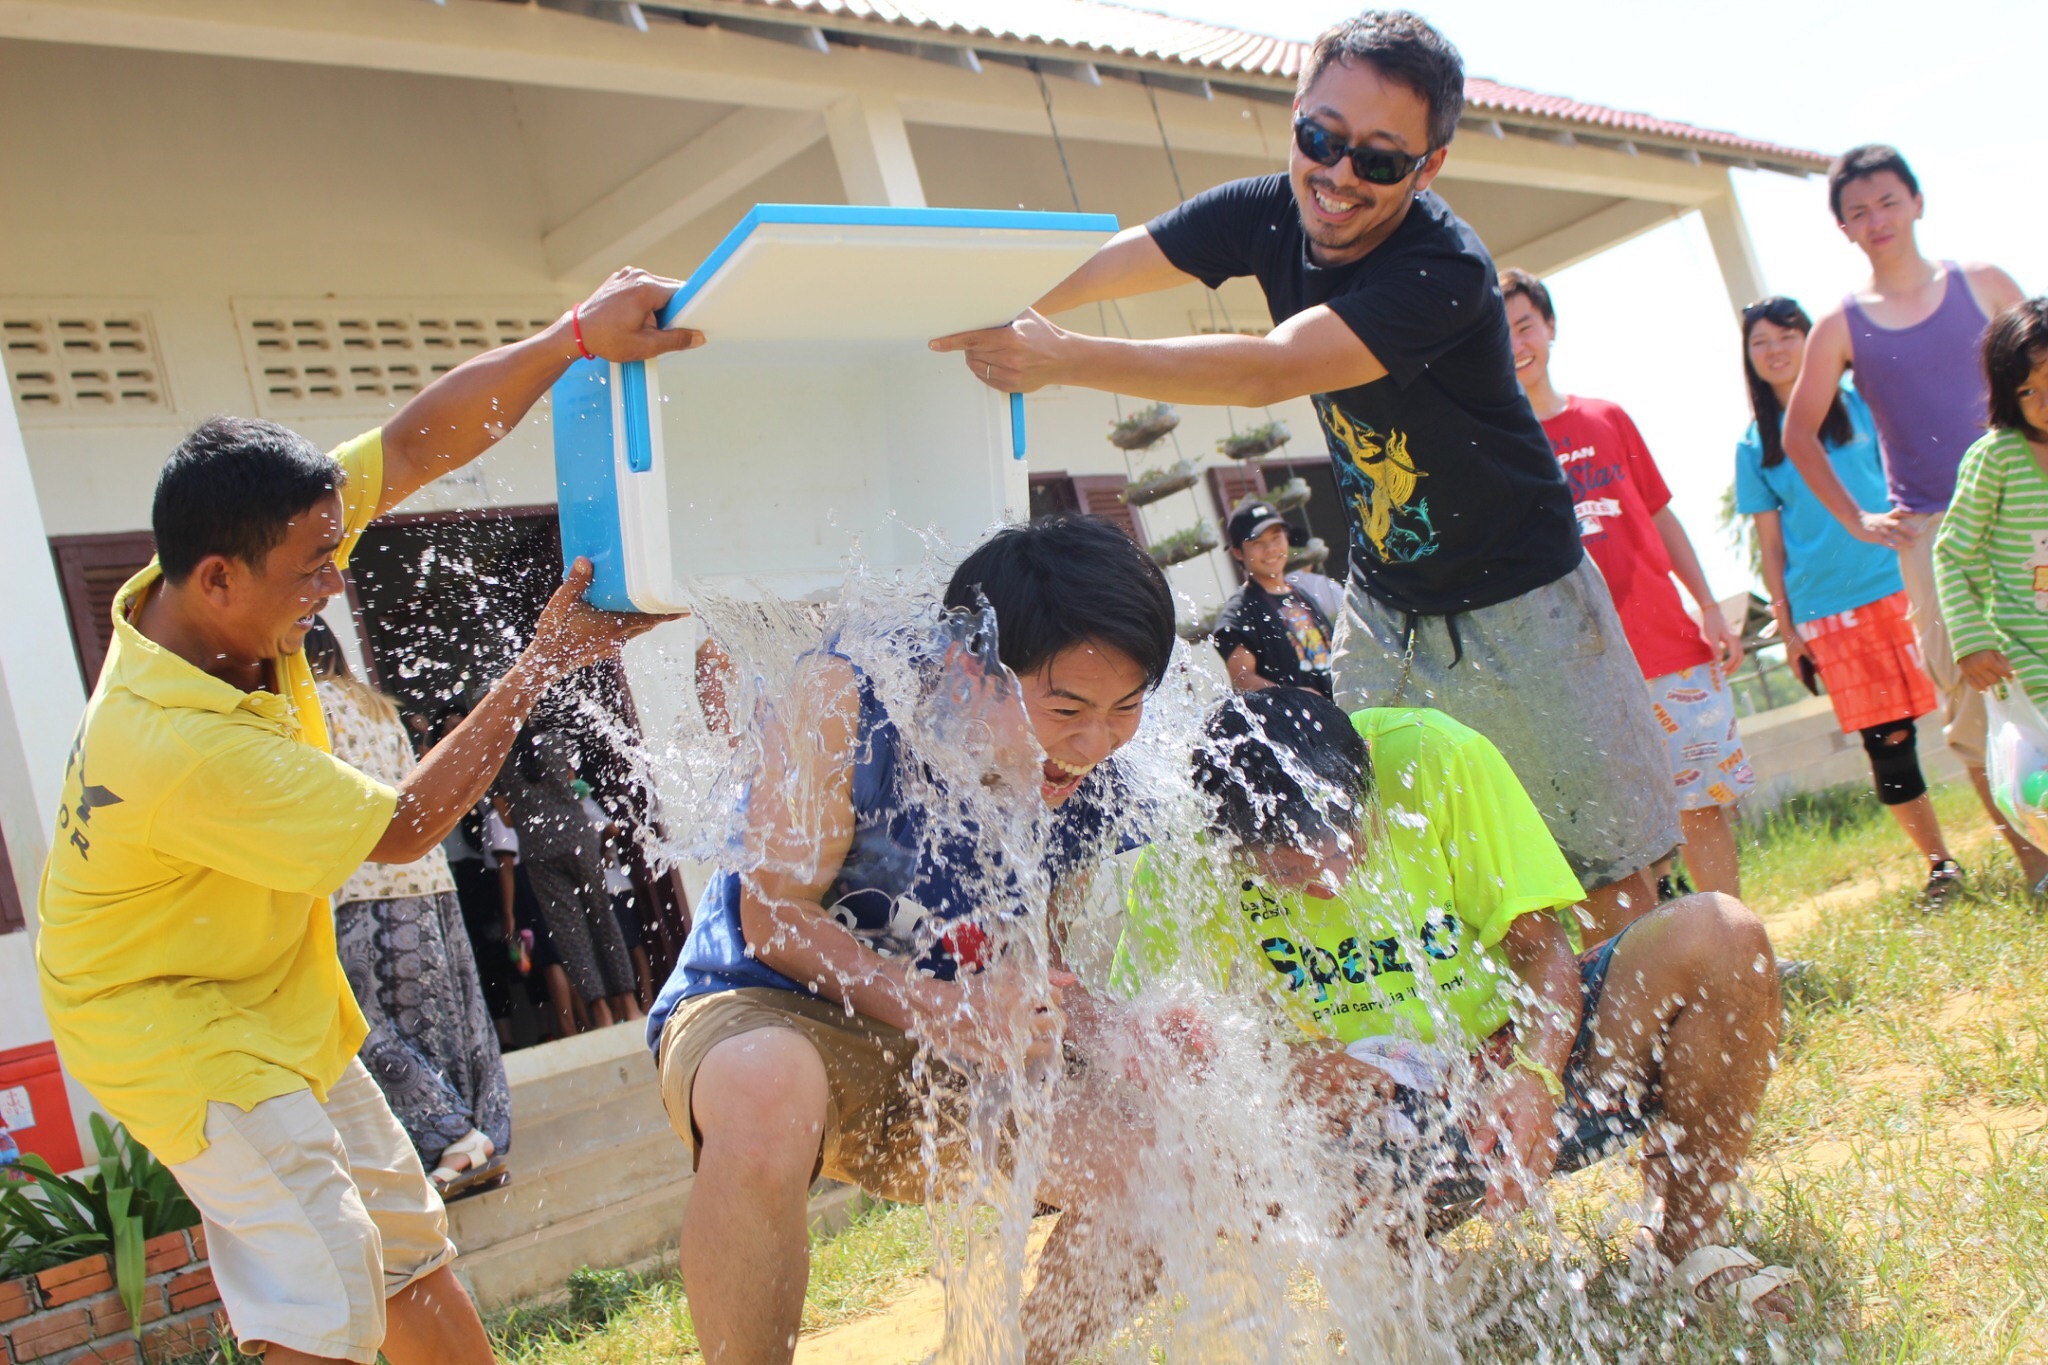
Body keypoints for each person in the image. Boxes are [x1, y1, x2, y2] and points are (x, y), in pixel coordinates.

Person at [34, 268, 691, 1365]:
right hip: (166, 1021)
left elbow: (414, 443)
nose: (334, 585)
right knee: (325, 1277)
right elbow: (403, 825)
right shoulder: (179, 743)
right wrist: (540, 663)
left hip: (270, 988)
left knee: (402, 1241)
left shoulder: (231, 566)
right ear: (216, 580)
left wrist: (572, 334)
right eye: (312, 570)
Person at [932, 10, 1678, 943]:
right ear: (1296, 117)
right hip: (1388, 605)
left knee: (1605, 866)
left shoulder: (1441, 269)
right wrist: (973, 299)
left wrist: (1065, 356)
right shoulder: (1268, 213)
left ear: (1429, 167)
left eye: (1380, 159)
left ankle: (1638, 1019)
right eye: (1321, 138)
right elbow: (1108, 261)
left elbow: (1271, 368)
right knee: (1373, 839)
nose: (1339, 174)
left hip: (1522, 600)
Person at [1108, 689, 1798, 1345]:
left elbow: (1543, 951)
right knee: (1203, 1123)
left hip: (1514, 1066)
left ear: (1365, 782)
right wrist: (1285, 1070)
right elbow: (1146, 1046)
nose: (1331, 881)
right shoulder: (1186, 853)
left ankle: (1686, 1244)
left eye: (1347, 847)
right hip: (1366, 1131)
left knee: (1721, 934)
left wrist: (1535, 1073)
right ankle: (1403, 1275)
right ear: (1229, 850)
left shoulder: (1434, 758)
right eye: (1291, 875)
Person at [649, 516, 1178, 1365]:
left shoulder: (1089, 776)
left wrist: (1114, 1028)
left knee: (1161, 1159)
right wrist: (941, 1007)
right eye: (1067, 709)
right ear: (972, 665)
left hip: (951, 1041)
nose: (1093, 743)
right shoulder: (846, 699)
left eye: (1126, 709)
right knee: (764, 1083)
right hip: (778, 1010)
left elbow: (1031, 958)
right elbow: (773, 917)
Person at [1782, 144, 2044, 886]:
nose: (1878, 220)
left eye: (1889, 201)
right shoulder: (1840, 324)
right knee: (1973, 698)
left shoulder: (1984, 283)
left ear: (1918, 201)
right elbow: (1798, 434)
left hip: (2030, 511)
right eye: (1858, 211)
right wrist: (1858, 519)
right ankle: (2035, 860)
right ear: (1843, 228)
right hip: (1934, 535)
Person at [1499, 268, 1754, 898]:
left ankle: (1738, 940)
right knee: (1618, 836)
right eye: (1500, 333)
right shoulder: (1500, 446)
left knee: (1701, 805)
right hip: (1578, 665)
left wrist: (1708, 605)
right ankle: (1659, 948)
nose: (1517, 344)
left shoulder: (1607, 416)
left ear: (1550, 327)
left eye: (1525, 325)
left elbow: (1660, 513)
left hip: (1666, 643)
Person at [1735, 296, 1960, 899]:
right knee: (1888, 741)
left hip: (1907, 579)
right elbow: (1771, 548)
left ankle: (2021, 824)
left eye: (1788, 335)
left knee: (1971, 701)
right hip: (1829, 611)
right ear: (1748, 356)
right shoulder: (1754, 446)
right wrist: (1787, 628)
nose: (1776, 350)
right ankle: (1940, 863)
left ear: (1813, 341)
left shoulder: (1863, 405)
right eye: (1761, 341)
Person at [305, 622, 513, 1199]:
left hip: (365, 884)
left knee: (363, 1024)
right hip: (428, 878)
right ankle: (477, 1140)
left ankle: (456, 1138)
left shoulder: (310, 707)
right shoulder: (378, 708)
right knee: (449, 1018)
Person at [1936, 301, 2048, 717]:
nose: (2044, 401)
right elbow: (1952, 554)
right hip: (2029, 662)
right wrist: (1972, 639)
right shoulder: (1997, 457)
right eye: (2026, 391)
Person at [493, 720, 642, 1030]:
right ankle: (630, 1005)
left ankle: (600, 1012)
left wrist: (529, 809)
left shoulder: (499, 761)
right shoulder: (556, 742)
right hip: (577, 840)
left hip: (539, 851)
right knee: (603, 918)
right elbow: (576, 790)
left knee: (569, 932)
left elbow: (506, 819)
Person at [1213, 498, 1336, 696]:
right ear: (1238, 552)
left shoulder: (1301, 594)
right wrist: (1296, 697)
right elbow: (1242, 679)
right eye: (1257, 542)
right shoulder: (1239, 612)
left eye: (1276, 537)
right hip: (1293, 715)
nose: (1270, 549)